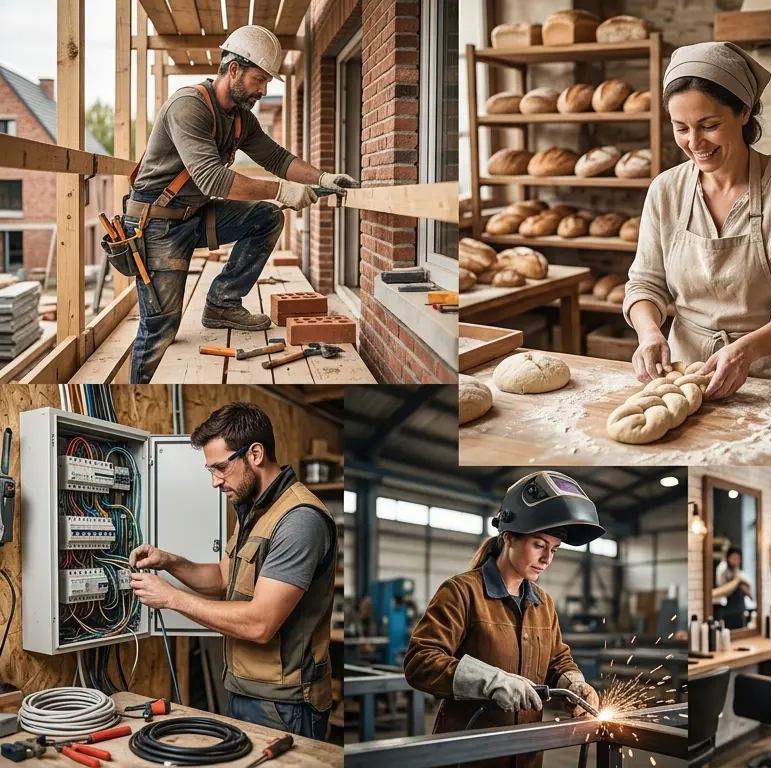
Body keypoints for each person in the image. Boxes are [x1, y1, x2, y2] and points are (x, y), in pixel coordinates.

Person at [123, 25, 357, 383]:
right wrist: (283, 192)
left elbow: (277, 158)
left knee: (265, 217)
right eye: (258, 80)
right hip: (158, 226)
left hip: (194, 216)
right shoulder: (188, 107)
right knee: (160, 329)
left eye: (266, 83)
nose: (263, 91)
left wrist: (322, 179)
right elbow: (213, 180)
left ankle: (222, 304)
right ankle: (138, 388)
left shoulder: (239, 118)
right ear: (233, 69)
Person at [623, 41, 771, 399]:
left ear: (744, 112)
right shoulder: (665, 190)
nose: (694, 142)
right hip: (683, 376)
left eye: (709, 125)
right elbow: (644, 283)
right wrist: (650, 334)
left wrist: (746, 350)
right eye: (681, 128)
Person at [128, 403, 335, 738]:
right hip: (245, 690)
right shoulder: (254, 510)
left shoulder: (299, 520)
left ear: (255, 454)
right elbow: (224, 578)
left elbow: (260, 624)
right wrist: (169, 561)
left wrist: (170, 598)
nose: (214, 482)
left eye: (220, 468)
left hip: (285, 706)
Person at [403, 471, 604, 768]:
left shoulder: (544, 603)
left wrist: (575, 685)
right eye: (539, 545)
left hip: (527, 754)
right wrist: (491, 681)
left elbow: (557, 661)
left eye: (554, 549)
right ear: (509, 537)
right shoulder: (461, 592)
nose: (547, 558)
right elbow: (420, 661)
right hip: (469, 757)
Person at [712, 546, 753, 629]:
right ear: (728, 559)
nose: (736, 561)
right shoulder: (723, 574)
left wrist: (739, 579)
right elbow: (723, 591)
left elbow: (750, 594)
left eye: (738, 559)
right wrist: (736, 581)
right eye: (733, 558)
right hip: (728, 612)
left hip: (740, 611)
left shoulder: (742, 575)